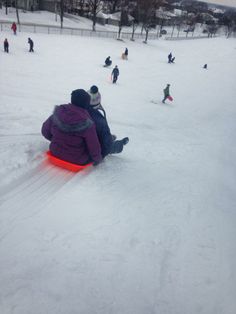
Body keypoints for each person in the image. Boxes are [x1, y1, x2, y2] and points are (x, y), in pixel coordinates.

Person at [41, 89, 102, 166]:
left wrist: (55, 140)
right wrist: (97, 159)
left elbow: (45, 131)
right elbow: (93, 146)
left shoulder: (58, 112)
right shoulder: (88, 122)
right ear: (86, 104)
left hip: (55, 152)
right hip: (77, 159)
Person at [86, 87, 129, 158]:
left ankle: (108, 137)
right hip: (87, 150)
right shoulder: (98, 119)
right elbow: (105, 148)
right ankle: (119, 144)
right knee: (108, 144)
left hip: (74, 145)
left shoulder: (77, 112)